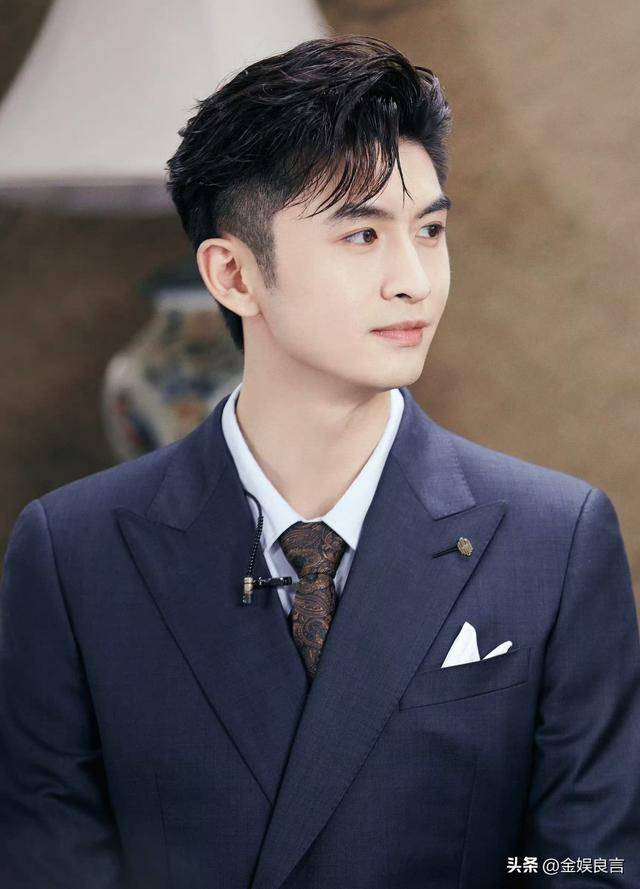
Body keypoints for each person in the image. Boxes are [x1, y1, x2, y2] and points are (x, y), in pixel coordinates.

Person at [0, 34, 638, 889]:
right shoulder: (72, 552)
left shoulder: (555, 541)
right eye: (362, 234)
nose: (415, 279)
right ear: (233, 275)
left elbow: (589, 859)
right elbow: (48, 863)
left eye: (430, 230)